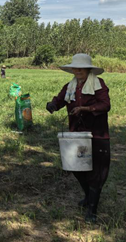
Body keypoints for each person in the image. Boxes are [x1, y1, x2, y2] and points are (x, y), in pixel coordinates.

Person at [46, 54, 110, 223]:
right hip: (76, 133)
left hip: (96, 134)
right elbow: (60, 100)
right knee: (76, 167)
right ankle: (89, 197)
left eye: (81, 68)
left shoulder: (99, 85)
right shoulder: (70, 86)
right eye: (75, 68)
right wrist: (52, 105)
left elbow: (105, 105)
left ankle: (92, 210)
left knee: (96, 172)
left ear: (88, 70)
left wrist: (85, 108)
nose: (78, 71)